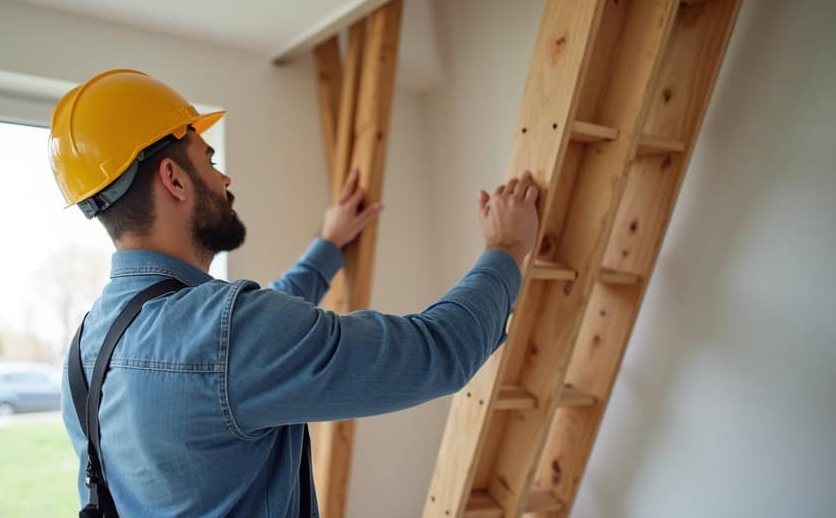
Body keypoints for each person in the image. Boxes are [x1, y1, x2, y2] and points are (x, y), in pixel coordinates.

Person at [49, 69, 539, 517]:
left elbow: (250, 342)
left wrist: (329, 245)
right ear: (174, 179)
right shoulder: (228, 335)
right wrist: (506, 247)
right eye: (209, 160)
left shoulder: (86, 353)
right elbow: (437, 351)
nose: (224, 178)